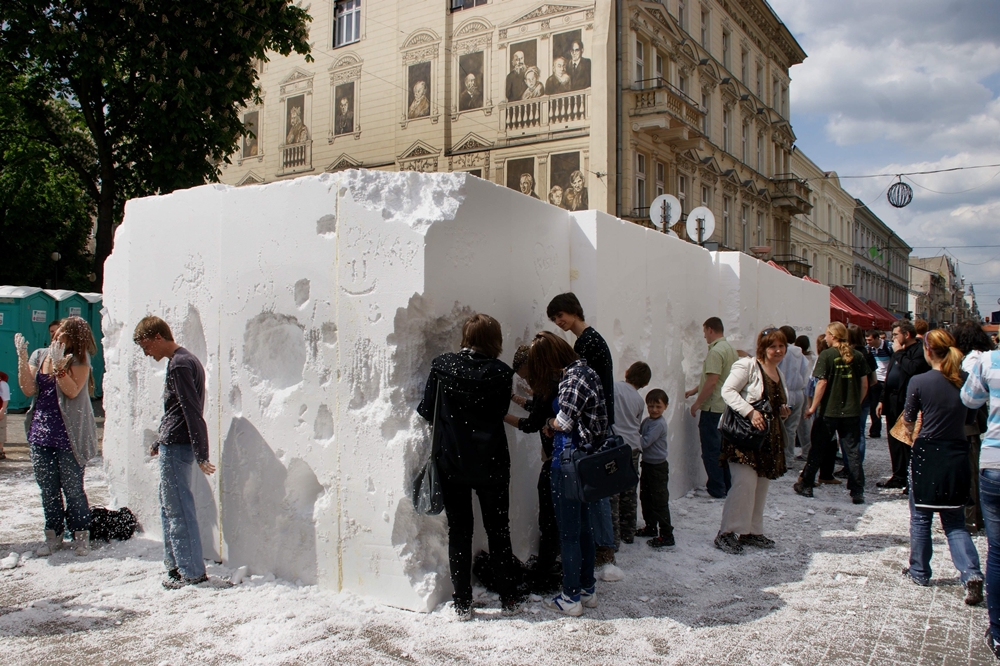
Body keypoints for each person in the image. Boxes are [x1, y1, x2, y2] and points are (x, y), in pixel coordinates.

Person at [417, 314, 519, 619]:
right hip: (492, 462)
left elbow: (426, 410)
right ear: (495, 340)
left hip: (453, 463)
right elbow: (500, 411)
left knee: (460, 532)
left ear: (466, 336)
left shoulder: (442, 366)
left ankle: (462, 602)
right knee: (498, 531)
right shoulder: (501, 373)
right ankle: (509, 598)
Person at [528, 331, 607, 616]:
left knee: (569, 533)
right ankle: (587, 589)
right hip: (583, 462)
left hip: (568, 462)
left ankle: (570, 597)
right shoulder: (585, 372)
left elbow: (563, 420)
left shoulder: (574, 376)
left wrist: (549, 421)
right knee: (584, 529)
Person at [901, 330, 984, 605]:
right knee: (955, 521)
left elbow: (909, 420)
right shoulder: (966, 380)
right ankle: (970, 571)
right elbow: (971, 416)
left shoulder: (920, 381)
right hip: (956, 451)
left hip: (927, 451)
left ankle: (919, 570)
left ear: (928, 351)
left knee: (921, 517)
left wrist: (911, 434)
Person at [133, 316, 217, 588]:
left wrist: (201, 451)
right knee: (171, 507)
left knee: (178, 508)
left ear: (158, 337)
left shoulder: (180, 363)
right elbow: (178, 411)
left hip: (178, 445)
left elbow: (191, 410)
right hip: (174, 442)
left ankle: (190, 571)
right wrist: (161, 440)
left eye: (146, 345)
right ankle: (177, 568)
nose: (146, 353)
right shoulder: (183, 360)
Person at [16, 317, 98, 557]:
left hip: (69, 434)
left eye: (62, 334)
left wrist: (61, 366)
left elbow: (71, 391)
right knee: (48, 489)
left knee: (73, 488)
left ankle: (81, 534)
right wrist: (22, 357)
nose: (56, 337)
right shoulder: (40, 355)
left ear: (74, 339)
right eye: (56, 333)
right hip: (41, 432)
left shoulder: (80, 359)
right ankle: (53, 535)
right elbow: (28, 389)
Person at [546, 292, 615, 565]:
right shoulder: (591, 339)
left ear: (573, 311)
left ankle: (604, 547)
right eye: (554, 319)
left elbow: (585, 388)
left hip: (592, 426)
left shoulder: (587, 342)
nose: (558, 321)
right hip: (601, 421)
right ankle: (605, 543)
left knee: (595, 488)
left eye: (560, 315)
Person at [714, 327, 790, 554]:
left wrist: (782, 411)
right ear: (763, 348)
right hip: (745, 437)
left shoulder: (778, 372)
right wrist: (750, 412)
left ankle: (752, 531)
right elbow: (728, 391)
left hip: (766, 439)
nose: (777, 351)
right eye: (773, 346)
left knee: (760, 486)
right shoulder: (747, 366)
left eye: (781, 346)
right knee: (744, 485)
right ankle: (727, 532)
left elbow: (773, 403)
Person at [796, 322, 870, 504]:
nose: (826, 337)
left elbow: (821, 383)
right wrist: (856, 403)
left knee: (818, 448)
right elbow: (865, 383)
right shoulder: (858, 356)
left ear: (833, 336)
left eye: (827, 334)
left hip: (829, 411)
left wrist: (812, 407)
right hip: (851, 413)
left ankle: (806, 483)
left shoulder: (827, 355)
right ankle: (857, 490)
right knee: (852, 451)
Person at [505, 345, 561, 580]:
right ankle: (550, 561)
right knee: (552, 515)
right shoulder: (552, 381)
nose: (527, 380)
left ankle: (546, 567)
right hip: (556, 458)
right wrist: (515, 398)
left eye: (527, 375)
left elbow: (531, 424)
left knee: (548, 516)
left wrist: (502, 415)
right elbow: (538, 410)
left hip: (555, 460)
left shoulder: (548, 386)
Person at [961, 335, 1000, 656]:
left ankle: (998, 631)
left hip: (995, 460)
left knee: (997, 552)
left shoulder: (988, 362)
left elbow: (970, 398)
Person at [685, 317, 738, 498]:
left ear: (709, 329)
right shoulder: (730, 349)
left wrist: (697, 403)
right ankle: (726, 485)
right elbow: (721, 377)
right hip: (726, 407)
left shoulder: (715, 352)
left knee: (711, 449)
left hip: (713, 408)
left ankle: (716, 488)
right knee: (723, 449)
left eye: (704, 332)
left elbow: (713, 380)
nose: (704, 336)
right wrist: (694, 390)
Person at [876, 320, 930, 493]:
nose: (894, 339)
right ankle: (898, 475)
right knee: (894, 439)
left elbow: (913, 369)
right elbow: (889, 375)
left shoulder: (918, 351)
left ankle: (910, 478)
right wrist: (882, 400)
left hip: (907, 402)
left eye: (897, 335)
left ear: (907, 335)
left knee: (907, 441)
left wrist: (899, 354)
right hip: (892, 399)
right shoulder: (897, 352)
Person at [954, 320, 994, 533]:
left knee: (970, 471)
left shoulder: (971, 361)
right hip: (977, 420)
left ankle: (972, 518)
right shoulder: (983, 357)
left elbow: (971, 396)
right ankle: (976, 516)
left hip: (970, 422)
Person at [612, 361, 651, 546]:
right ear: (644, 384)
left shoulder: (614, 387)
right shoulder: (638, 400)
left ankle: (613, 536)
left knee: (612, 492)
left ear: (627, 371)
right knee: (629, 491)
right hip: (633, 447)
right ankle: (628, 532)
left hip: (615, 446)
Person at [833, 324, 877, 476]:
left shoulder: (849, 354)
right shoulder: (867, 353)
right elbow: (873, 380)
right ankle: (857, 464)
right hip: (864, 398)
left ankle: (850, 466)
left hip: (850, 399)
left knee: (848, 435)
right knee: (860, 432)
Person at [638, 388, 673, 548]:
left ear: (665, 406)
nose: (654, 410)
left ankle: (666, 534)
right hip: (647, 465)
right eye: (651, 406)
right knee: (646, 497)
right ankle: (650, 526)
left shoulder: (659, 424)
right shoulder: (647, 421)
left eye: (658, 407)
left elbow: (644, 442)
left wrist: (630, 438)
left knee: (659, 501)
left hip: (658, 467)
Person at [778, 325, 808, 462]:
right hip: (798, 392)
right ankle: (789, 456)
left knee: (781, 426)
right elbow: (804, 371)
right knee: (792, 427)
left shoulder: (782, 352)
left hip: (785, 392)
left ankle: (782, 456)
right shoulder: (799, 353)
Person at [794, 335, 816, 461]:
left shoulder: (797, 357)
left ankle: (790, 453)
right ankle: (807, 450)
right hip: (809, 389)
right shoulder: (813, 357)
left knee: (792, 425)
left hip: (799, 389)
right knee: (805, 423)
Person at [866, 329, 891, 437]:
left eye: (870, 340)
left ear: (877, 338)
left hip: (887, 380)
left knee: (888, 407)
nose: (868, 342)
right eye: (866, 340)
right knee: (874, 406)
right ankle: (875, 431)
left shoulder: (888, 347)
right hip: (876, 381)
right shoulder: (868, 349)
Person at [0, 371, 9, 460]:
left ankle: (0, 450)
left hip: (0, 410)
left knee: (1, 430)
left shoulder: (2, 384)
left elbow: (6, 398)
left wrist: (2, 410)